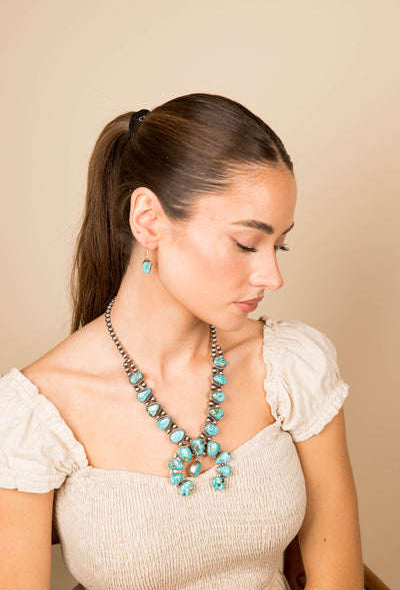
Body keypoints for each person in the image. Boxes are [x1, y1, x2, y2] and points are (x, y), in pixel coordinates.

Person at [0, 93, 363, 590]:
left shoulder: (290, 366)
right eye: (246, 243)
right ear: (148, 220)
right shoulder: (33, 416)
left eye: (279, 245)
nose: (273, 276)